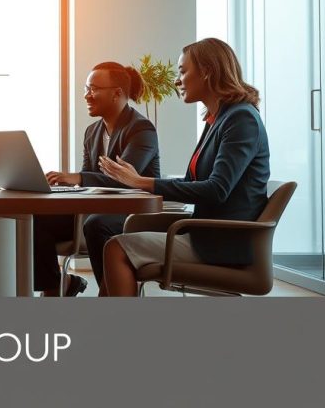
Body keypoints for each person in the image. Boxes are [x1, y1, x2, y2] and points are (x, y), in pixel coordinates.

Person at [98, 38, 270, 296]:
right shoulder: (218, 119)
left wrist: (140, 182)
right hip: (208, 235)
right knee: (124, 234)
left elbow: (217, 189)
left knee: (116, 248)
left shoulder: (241, 118)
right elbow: (193, 182)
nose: (177, 80)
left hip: (222, 243)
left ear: (207, 72)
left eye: (183, 71)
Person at [37, 62, 160, 297]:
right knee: (39, 218)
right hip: (98, 209)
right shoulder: (92, 132)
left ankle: (111, 295)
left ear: (117, 93)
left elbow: (126, 179)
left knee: (97, 224)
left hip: (132, 211)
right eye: (86, 88)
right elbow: (87, 184)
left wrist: (77, 177)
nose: (86, 95)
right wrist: (67, 187)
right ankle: (57, 287)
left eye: (93, 89)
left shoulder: (141, 129)